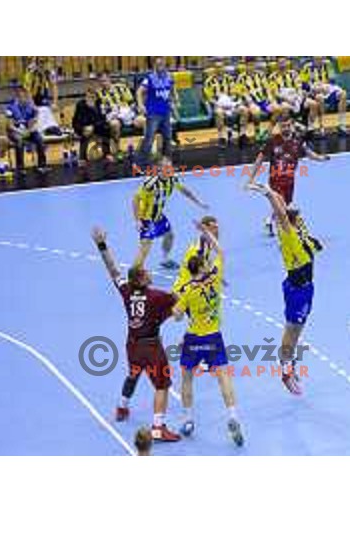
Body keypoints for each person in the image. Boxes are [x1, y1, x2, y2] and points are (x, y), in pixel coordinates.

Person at [91, 227, 181, 442]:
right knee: (162, 386)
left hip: (132, 344)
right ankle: (158, 428)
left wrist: (101, 245)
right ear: (141, 279)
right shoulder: (158, 296)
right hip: (151, 346)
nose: (149, 272)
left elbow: (113, 270)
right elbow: (179, 301)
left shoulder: (126, 291)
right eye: (145, 272)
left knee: (134, 372)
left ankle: (122, 407)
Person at [172, 221, 245, 446]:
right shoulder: (215, 278)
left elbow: (176, 315)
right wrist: (207, 234)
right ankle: (233, 416)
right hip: (214, 337)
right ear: (203, 267)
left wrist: (179, 309)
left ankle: (188, 419)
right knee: (224, 377)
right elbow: (221, 251)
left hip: (193, 339)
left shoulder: (187, 292)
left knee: (187, 378)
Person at [247, 182, 323, 395]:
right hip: (297, 289)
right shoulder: (287, 233)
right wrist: (268, 195)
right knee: (292, 331)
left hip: (307, 287)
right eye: (292, 212)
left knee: (298, 330)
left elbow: (283, 203)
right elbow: (280, 212)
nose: (295, 211)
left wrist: (273, 192)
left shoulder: (299, 225)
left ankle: (290, 364)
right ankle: (286, 372)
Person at [248, 116, 329, 236]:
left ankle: (268, 221)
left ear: (292, 125)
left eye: (287, 125)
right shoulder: (272, 141)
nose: (285, 128)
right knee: (284, 206)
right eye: (283, 126)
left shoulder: (298, 140)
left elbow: (309, 153)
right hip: (275, 179)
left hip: (290, 180)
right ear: (279, 127)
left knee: (282, 203)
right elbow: (259, 159)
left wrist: (320, 158)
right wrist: (251, 178)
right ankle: (289, 230)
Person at [132, 155, 208, 269]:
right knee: (145, 248)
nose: (169, 168)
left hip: (158, 216)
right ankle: (134, 274)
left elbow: (184, 190)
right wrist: (137, 220)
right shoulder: (150, 183)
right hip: (146, 219)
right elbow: (135, 200)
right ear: (158, 168)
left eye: (170, 166)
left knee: (169, 235)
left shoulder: (172, 179)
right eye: (166, 166)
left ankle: (165, 260)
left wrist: (198, 202)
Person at [137, 57, 178, 161]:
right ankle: (142, 162)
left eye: (162, 63)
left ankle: (166, 160)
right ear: (154, 65)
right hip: (153, 113)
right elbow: (139, 92)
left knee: (168, 137)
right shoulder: (149, 78)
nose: (160, 65)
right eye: (158, 64)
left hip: (166, 112)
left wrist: (175, 100)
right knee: (149, 138)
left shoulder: (169, 77)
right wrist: (141, 105)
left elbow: (172, 90)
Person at [97, 71, 145, 158]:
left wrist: (137, 111)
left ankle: (146, 148)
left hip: (128, 114)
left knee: (143, 121)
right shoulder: (99, 94)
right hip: (114, 116)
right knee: (114, 124)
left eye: (104, 80)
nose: (103, 83)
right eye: (101, 82)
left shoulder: (121, 87)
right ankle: (117, 150)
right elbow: (103, 110)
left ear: (109, 79)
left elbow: (131, 102)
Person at [1, 86, 48, 173]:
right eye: (21, 96)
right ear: (17, 97)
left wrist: (30, 129)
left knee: (39, 139)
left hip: (27, 131)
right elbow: (10, 126)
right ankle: (20, 168)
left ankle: (42, 165)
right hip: (14, 131)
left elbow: (34, 121)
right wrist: (20, 132)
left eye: (25, 96)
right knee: (19, 142)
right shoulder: (10, 108)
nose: (24, 98)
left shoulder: (30, 106)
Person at [300, 57, 348, 137]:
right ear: (313, 59)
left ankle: (341, 125)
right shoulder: (307, 67)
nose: (319, 61)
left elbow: (332, 80)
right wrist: (313, 87)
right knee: (320, 97)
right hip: (314, 91)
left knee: (343, 94)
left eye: (321, 58)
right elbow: (303, 83)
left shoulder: (328, 64)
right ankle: (322, 127)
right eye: (317, 59)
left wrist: (325, 86)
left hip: (327, 89)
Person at [72, 86, 108, 165]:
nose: (90, 99)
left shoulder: (99, 103)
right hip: (82, 127)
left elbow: (103, 119)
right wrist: (84, 127)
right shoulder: (81, 105)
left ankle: (106, 154)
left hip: (97, 126)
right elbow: (77, 121)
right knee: (86, 132)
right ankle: (82, 157)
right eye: (88, 97)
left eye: (92, 97)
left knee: (105, 128)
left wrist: (93, 110)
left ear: (95, 97)